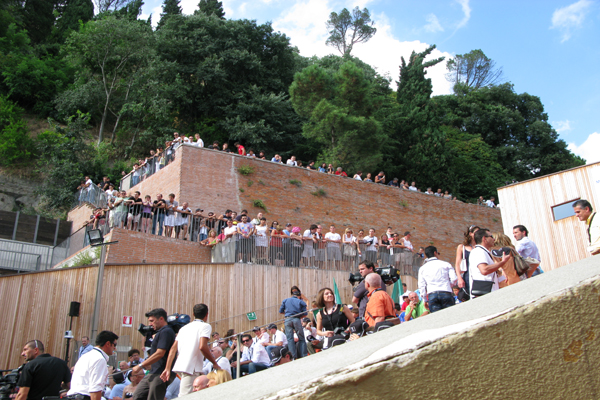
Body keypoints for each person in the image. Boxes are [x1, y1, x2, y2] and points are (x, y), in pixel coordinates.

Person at [160, 304, 220, 397]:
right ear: (207, 314)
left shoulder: (183, 328)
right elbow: (202, 347)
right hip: (191, 367)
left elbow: (173, 349)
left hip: (183, 366)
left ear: (193, 314)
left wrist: (167, 368)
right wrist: (214, 363)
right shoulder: (205, 326)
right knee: (185, 396)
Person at [131, 309, 176, 400]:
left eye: (152, 321)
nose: (150, 324)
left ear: (161, 319)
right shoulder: (161, 332)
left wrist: (140, 365)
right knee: (137, 396)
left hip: (161, 373)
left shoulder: (166, 331)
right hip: (153, 372)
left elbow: (160, 353)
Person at [68, 331, 119, 400]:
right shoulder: (99, 359)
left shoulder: (85, 356)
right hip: (84, 397)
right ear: (108, 344)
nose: (115, 348)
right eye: (114, 345)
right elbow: (95, 390)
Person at [468, 229, 512, 298]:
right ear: (484, 238)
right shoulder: (478, 251)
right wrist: (502, 262)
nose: (494, 239)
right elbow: (484, 270)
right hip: (483, 293)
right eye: (491, 236)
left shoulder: (484, 252)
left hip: (488, 292)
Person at [418, 246, 457, 312]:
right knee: (450, 315)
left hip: (432, 294)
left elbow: (421, 285)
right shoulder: (446, 264)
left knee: (437, 318)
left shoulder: (422, 268)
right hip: (446, 291)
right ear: (435, 253)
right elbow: (454, 279)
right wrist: (448, 285)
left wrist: (424, 299)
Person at [279, 286, 308, 359]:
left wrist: (288, 313)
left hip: (288, 319)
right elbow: (305, 313)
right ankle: (304, 355)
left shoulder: (285, 300)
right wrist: (298, 316)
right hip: (296, 319)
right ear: (299, 296)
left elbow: (280, 311)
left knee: (290, 339)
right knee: (301, 338)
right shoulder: (301, 302)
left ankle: (293, 357)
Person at [454, 225, 479, 299]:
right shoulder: (462, 247)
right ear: (470, 234)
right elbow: (457, 264)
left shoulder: (480, 246)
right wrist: (459, 278)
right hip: (468, 275)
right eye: (476, 232)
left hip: (479, 273)